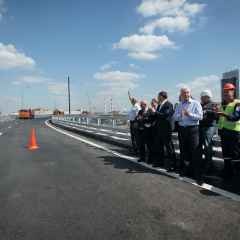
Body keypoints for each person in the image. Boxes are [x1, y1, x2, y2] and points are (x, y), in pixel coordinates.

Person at [173, 87, 203, 181]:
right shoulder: (179, 105)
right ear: (181, 94)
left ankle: (198, 174)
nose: (185, 94)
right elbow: (175, 117)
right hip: (182, 130)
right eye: (183, 93)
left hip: (193, 129)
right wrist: (181, 115)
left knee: (195, 151)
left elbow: (200, 117)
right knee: (184, 151)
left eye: (187, 93)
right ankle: (185, 170)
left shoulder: (196, 103)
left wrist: (189, 114)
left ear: (190, 93)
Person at [217, 83, 240, 180]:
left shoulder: (238, 103)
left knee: (236, 154)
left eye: (229, 91)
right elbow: (219, 119)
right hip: (224, 133)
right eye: (225, 91)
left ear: (233, 92)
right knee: (226, 154)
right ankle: (227, 171)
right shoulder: (222, 104)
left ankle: (237, 173)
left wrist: (224, 115)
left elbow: (236, 117)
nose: (226, 93)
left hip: (234, 133)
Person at [152, 91, 176, 171]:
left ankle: (172, 164)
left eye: (158, 96)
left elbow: (166, 115)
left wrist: (155, 112)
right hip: (159, 129)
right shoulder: (160, 105)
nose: (157, 97)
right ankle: (160, 162)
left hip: (166, 129)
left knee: (169, 147)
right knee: (159, 146)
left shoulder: (168, 104)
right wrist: (153, 113)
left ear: (162, 96)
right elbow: (158, 116)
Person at [199, 90, 218, 176]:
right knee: (200, 144)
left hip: (210, 126)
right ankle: (202, 161)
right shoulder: (200, 104)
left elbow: (216, 115)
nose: (202, 99)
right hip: (201, 126)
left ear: (207, 97)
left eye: (203, 97)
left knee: (207, 144)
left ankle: (208, 164)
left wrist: (207, 111)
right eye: (201, 97)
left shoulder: (213, 104)